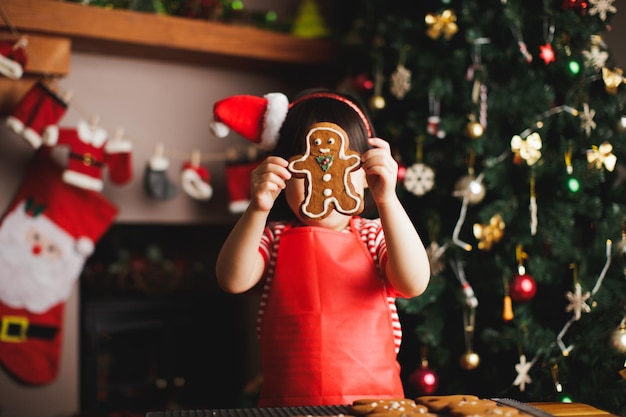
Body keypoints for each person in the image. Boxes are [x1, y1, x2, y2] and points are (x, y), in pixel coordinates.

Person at [214, 88, 431, 407]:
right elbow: (232, 279)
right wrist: (257, 209)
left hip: (374, 407)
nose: (326, 175)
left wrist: (388, 201)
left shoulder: (374, 235)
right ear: (284, 172)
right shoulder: (272, 239)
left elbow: (413, 282)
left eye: (344, 163)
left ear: (365, 173)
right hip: (287, 408)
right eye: (312, 164)